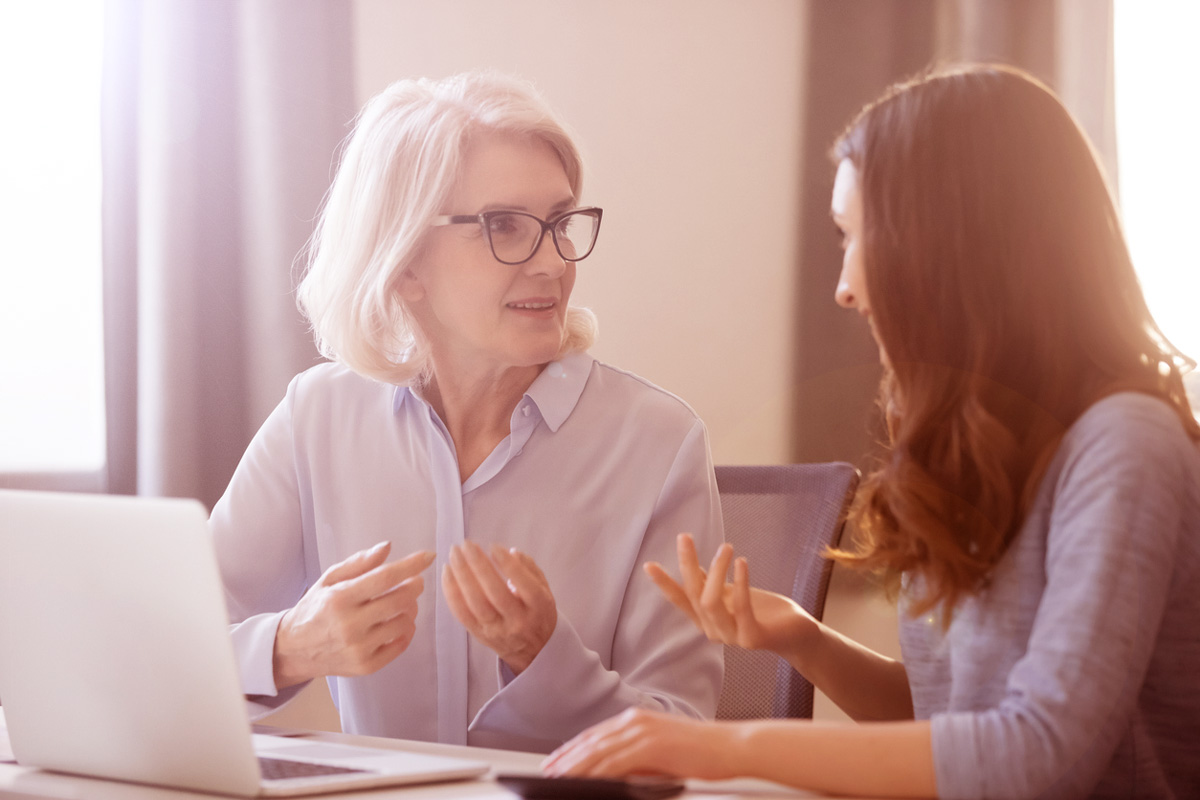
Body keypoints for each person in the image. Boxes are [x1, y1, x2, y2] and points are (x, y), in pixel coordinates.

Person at [544, 65, 1200, 799]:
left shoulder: (1126, 445)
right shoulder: (972, 444)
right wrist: (804, 639)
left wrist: (720, 746)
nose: (846, 286)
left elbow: (1037, 754)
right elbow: (951, 722)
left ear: (956, 247)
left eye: (859, 237)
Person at [209, 70, 723, 753]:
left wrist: (545, 660)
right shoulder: (318, 417)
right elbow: (169, 651)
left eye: (559, 223)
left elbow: (683, 737)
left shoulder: (661, 442)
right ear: (404, 260)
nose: (552, 263)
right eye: (505, 226)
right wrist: (292, 646)